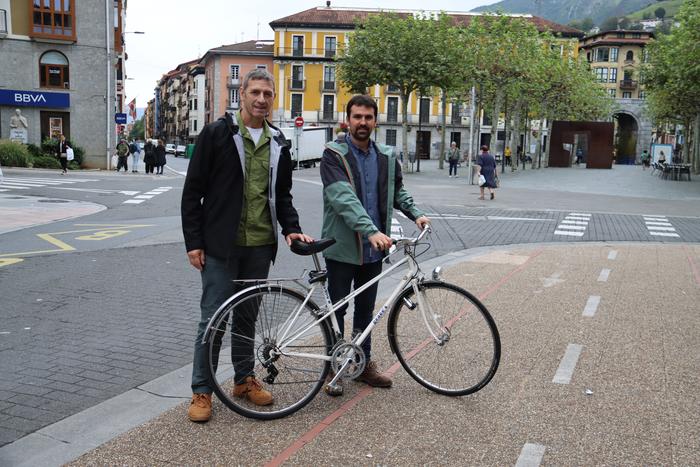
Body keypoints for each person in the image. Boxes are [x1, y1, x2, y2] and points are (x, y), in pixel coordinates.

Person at [181, 68, 313, 423]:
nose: (261, 99)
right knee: (212, 320)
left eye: (267, 94)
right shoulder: (217, 134)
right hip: (221, 247)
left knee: (247, 318)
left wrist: (292, 228)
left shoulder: (279, 142)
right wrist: (194, 242)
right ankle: (202, 391)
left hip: (259, 245)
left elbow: (282, 195)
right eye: (255, 92)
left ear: (273, 98)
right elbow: (193, 191)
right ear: (242, 94)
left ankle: (243, 380)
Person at [320, 94, 430, 396]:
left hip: (373, 250)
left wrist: (416, 214)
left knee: (366, 311)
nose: (363, 123)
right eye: (357, 117)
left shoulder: (386, 156)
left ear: (375, 121)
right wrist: (370, 230)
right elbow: (342, 198)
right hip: (342, 247)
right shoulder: (334, 154)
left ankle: (363, 363)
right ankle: (336, 365)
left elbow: (397, 193)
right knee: (338, 310)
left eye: (368, 117)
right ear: (348, 120)